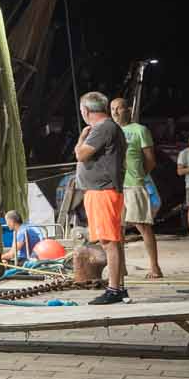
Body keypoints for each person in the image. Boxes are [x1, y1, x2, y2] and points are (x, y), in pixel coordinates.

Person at [75, 91, 129, 304]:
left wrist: (81, 137)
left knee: (110, 243)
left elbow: (80, 154)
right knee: (111, 241)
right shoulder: (109, 128)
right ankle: (119, 287)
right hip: (102, 191)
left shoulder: (103, 128)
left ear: (85, 111)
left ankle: (114, 290)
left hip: (102, 191)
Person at [110, 97, 162, 278]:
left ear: (128, 110)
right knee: (117, 230)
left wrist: (139, 176)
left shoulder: (140, 130)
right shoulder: (111, 131)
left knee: (143, 226)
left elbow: (150, 160)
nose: (115, 112)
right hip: (115, 187)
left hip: (134, 186)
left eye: (119, 108)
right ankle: (121, 267)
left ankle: (155, 267)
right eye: (113, 109)